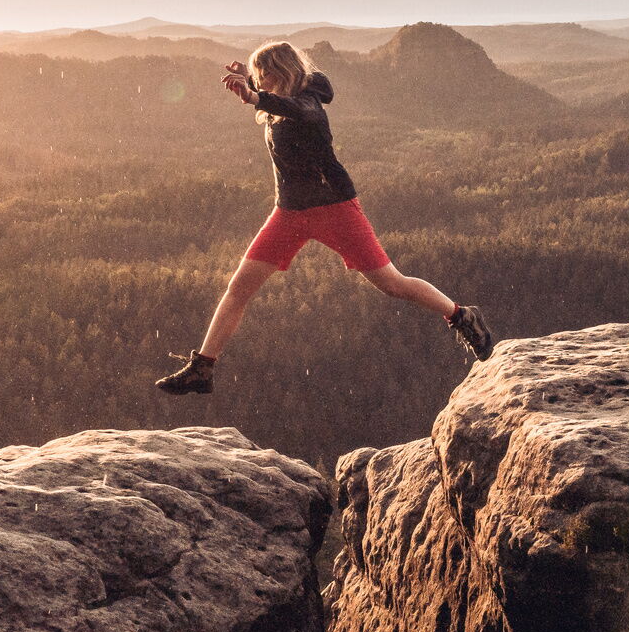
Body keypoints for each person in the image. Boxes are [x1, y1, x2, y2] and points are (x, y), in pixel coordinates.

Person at [157, 40, 494, 394]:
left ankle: (461, 316)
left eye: (262, 75)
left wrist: (255, 97)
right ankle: (203, 368)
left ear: (280, 72)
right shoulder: (284, 98)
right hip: (288, 212)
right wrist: (249, 83)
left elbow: (297, 109)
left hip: (334, 208)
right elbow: (280, 101)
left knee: (393, 283)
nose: (259, 81)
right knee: (238, 288)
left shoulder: (310, 103)